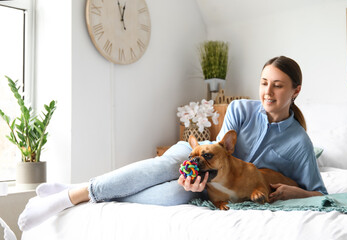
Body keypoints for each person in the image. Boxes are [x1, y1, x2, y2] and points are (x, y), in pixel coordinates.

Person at [18, 56, 327, 231]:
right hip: (199, 156)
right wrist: (200, 174)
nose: (267, 92)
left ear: (295, 91)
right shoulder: (240, 109)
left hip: (214, 183)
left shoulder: (299, 142)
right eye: (263, 83)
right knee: (164, 165)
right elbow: (219, 150)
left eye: (277, 86)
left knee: (170, 196)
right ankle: (70, 196)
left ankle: (82, 192)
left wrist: (295, 192)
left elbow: (321, 194)